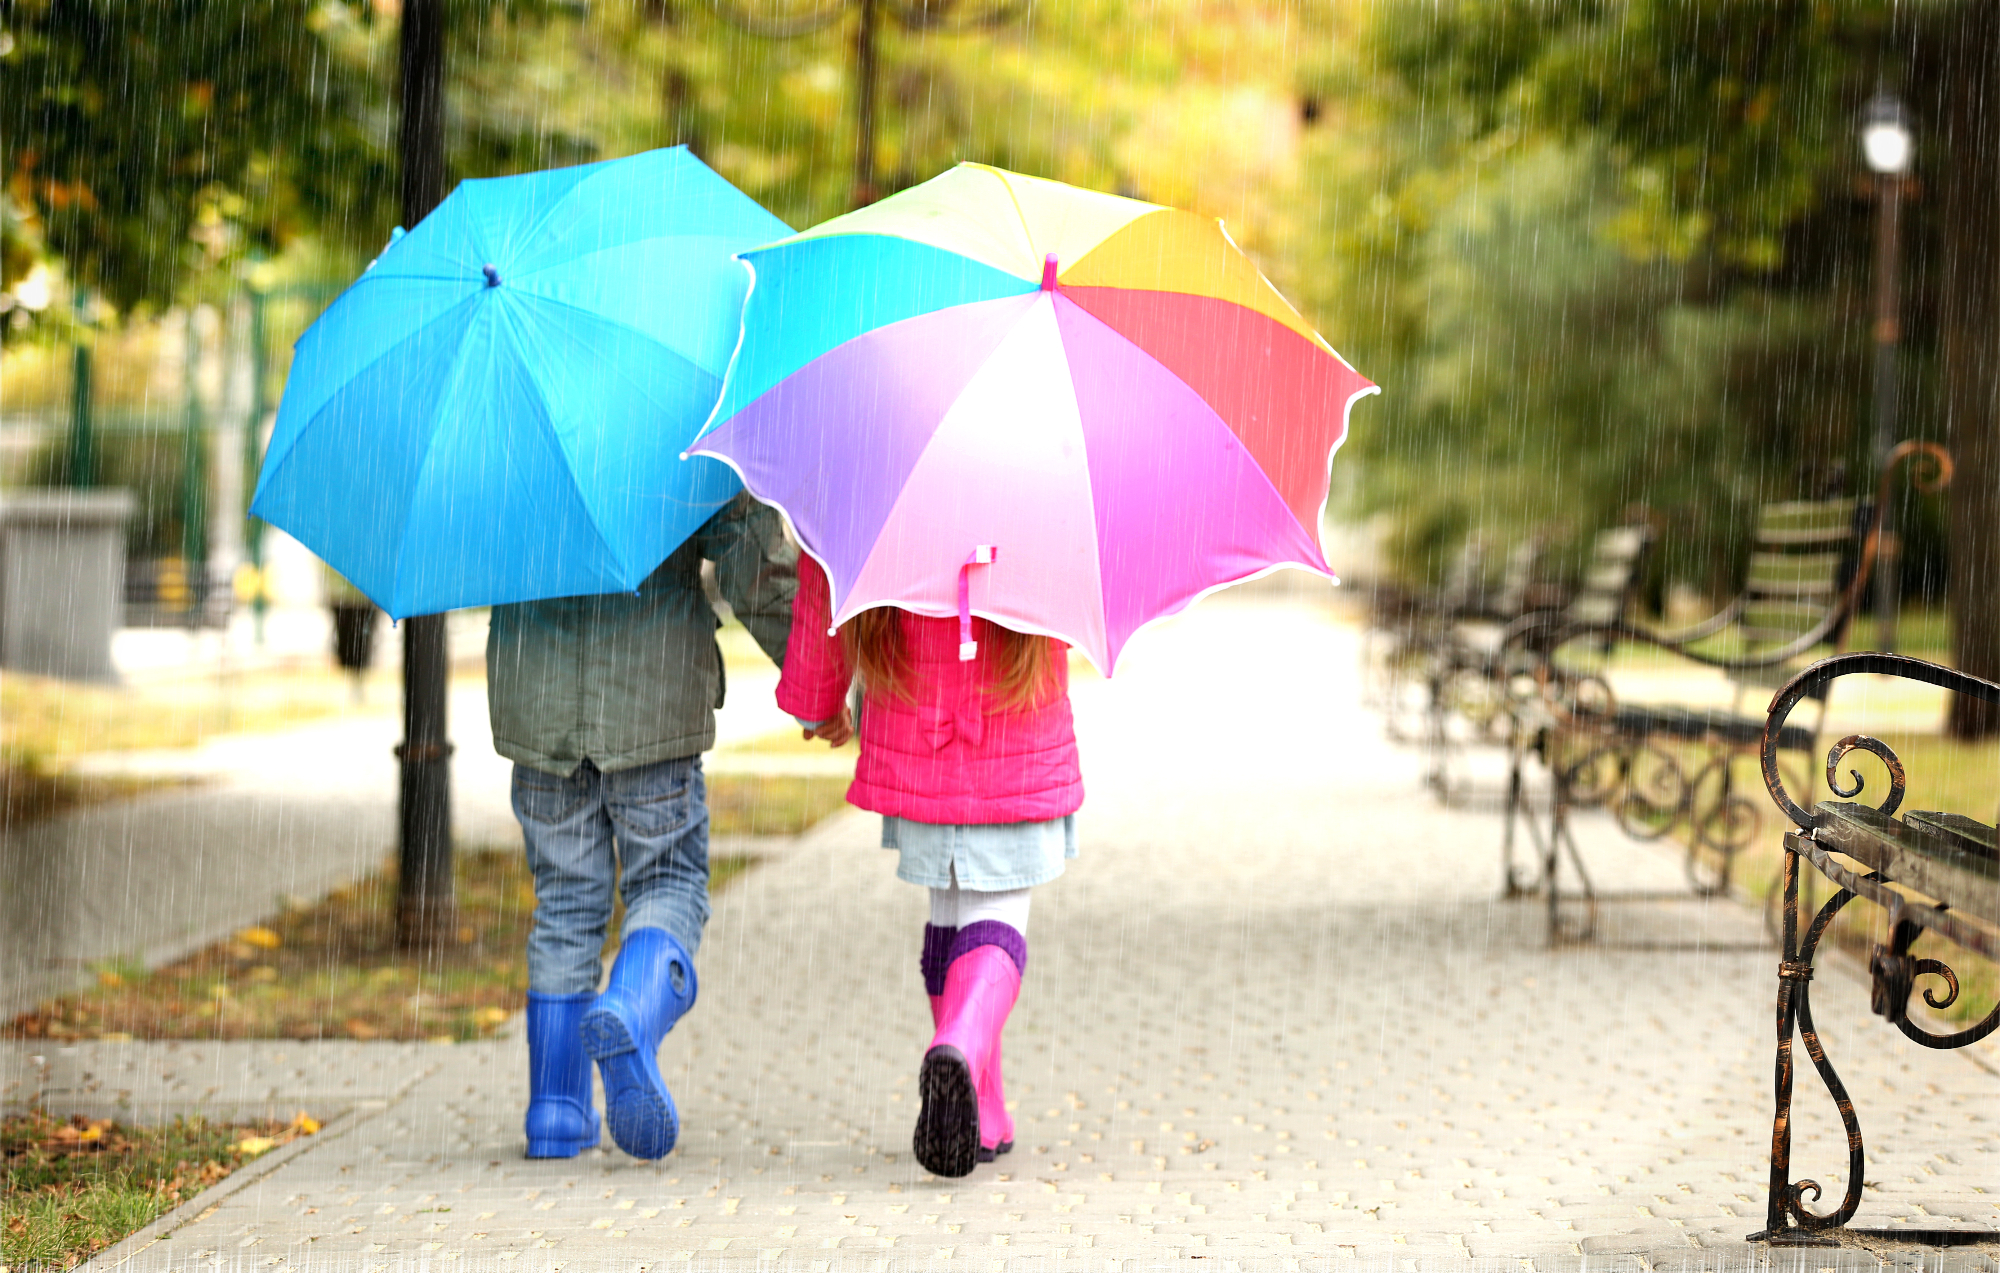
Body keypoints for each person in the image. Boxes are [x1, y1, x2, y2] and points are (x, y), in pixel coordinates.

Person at [487, 491, 795, 1161]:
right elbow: (751, 551)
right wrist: (808, 673)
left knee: (565, 906)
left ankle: (557, 1112)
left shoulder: (504, 412)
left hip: (536, 699)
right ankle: (631, 1004)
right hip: (652, 696)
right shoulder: (676, 406)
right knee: (670, 881)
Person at [777, 555, 1082, 1178]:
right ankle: (959, 1047)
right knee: (996, 910)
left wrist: (816, 697)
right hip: (1014, 729)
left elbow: (824, 568)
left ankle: (986, 1109)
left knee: (949, 909)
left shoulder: (877, 471)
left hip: (914, 725)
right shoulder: (1038, 476)